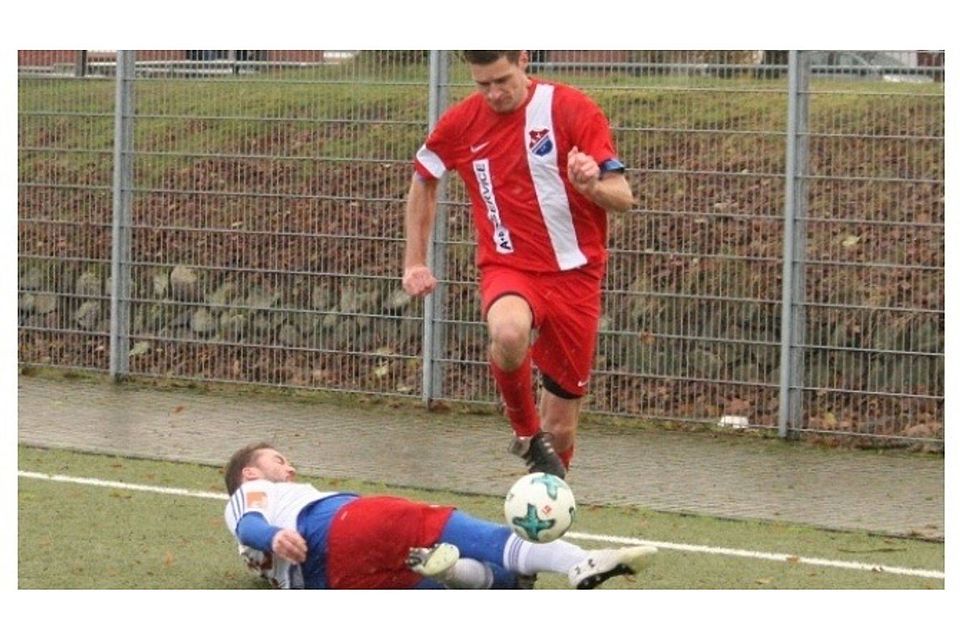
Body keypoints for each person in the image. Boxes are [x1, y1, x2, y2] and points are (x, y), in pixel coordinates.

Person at [402, 50, 634, 478]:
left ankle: (545, 516)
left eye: (502, 80)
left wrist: (591, 186)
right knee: (508, 332)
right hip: (508, 267)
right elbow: (423, 178)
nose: (494, 93)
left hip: (575, 276)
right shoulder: (461, 122)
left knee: (561, 429)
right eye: (482, 84)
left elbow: (623, 197)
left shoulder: (571, 108)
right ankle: (526, 435)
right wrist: (414, 261)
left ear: (524, 59)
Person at [224, 442, 656, 589]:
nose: (290, 468)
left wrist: (273, 545)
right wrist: (275, 537)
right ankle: (577, 562)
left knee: (478, 588)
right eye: (279, 460)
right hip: (338, 526)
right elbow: (251, 524)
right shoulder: (254, 490)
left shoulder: (248, 558)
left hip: (330, 584)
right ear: (250, 472)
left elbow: (250, 541)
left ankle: (460, 576)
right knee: (478, 536)